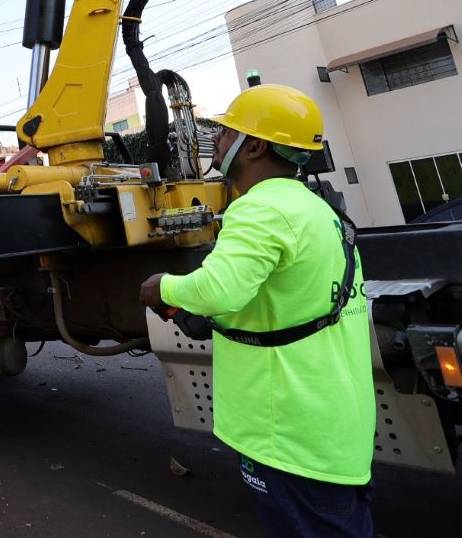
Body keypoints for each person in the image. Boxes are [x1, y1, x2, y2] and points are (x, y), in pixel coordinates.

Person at [139, 84, 374, 537]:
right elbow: (293, 303)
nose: (217, 142)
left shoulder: (258, 208)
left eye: (227, 134)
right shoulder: (317, 209)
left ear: (256, 146)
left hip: (288, 434)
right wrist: (219, 320)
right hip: (334, 431)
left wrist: (162, 287)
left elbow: (217, 289)